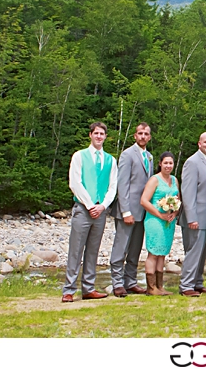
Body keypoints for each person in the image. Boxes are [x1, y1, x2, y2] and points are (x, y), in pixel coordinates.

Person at [62, 122, 118, 303]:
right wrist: (89, 204)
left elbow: (113, 186)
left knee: (93, 251)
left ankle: (88, 288)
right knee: (75, 250)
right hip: (83, 209)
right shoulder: (79, 156)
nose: (99, 137)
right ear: (90, 135)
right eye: (96, 133)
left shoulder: (110, 160)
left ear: (105, 137)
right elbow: (75, 183)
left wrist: (103, 206)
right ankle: (69, 289)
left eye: (102, 134)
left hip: (101, 210)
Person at [109, 123, 153, 296]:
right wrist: (125, 211)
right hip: (127, 210)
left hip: (143, 211)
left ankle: (131, 281)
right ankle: (117, 283)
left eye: (146, 134)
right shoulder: (127, 155)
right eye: (140, 133)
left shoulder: (149, 156)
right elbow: (123, 184)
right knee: (121, 248)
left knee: (135, 248)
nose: (143, 136)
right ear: (135, 136)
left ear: (149, 137)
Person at [178, 132, 206, 296]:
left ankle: (197, 282)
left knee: (203, 252)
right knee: (193, 251)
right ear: (199, 144)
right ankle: (186, 285)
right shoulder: (192, 162)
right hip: (196, 217)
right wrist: (191, 217)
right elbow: (187, 192)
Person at [140, 152, 179, 296]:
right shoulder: (154, 180)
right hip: (155, 220)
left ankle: (160, 286)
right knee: (154, 253)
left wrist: (174, 213)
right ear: (160, 163)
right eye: (166, 163)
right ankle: (151, 288)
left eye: (171, 163)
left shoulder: (174, 180)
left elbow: (177, 199)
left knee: (162, 253)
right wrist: (160, 214)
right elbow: (144, 200)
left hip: (168, 221)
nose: (168, 166)